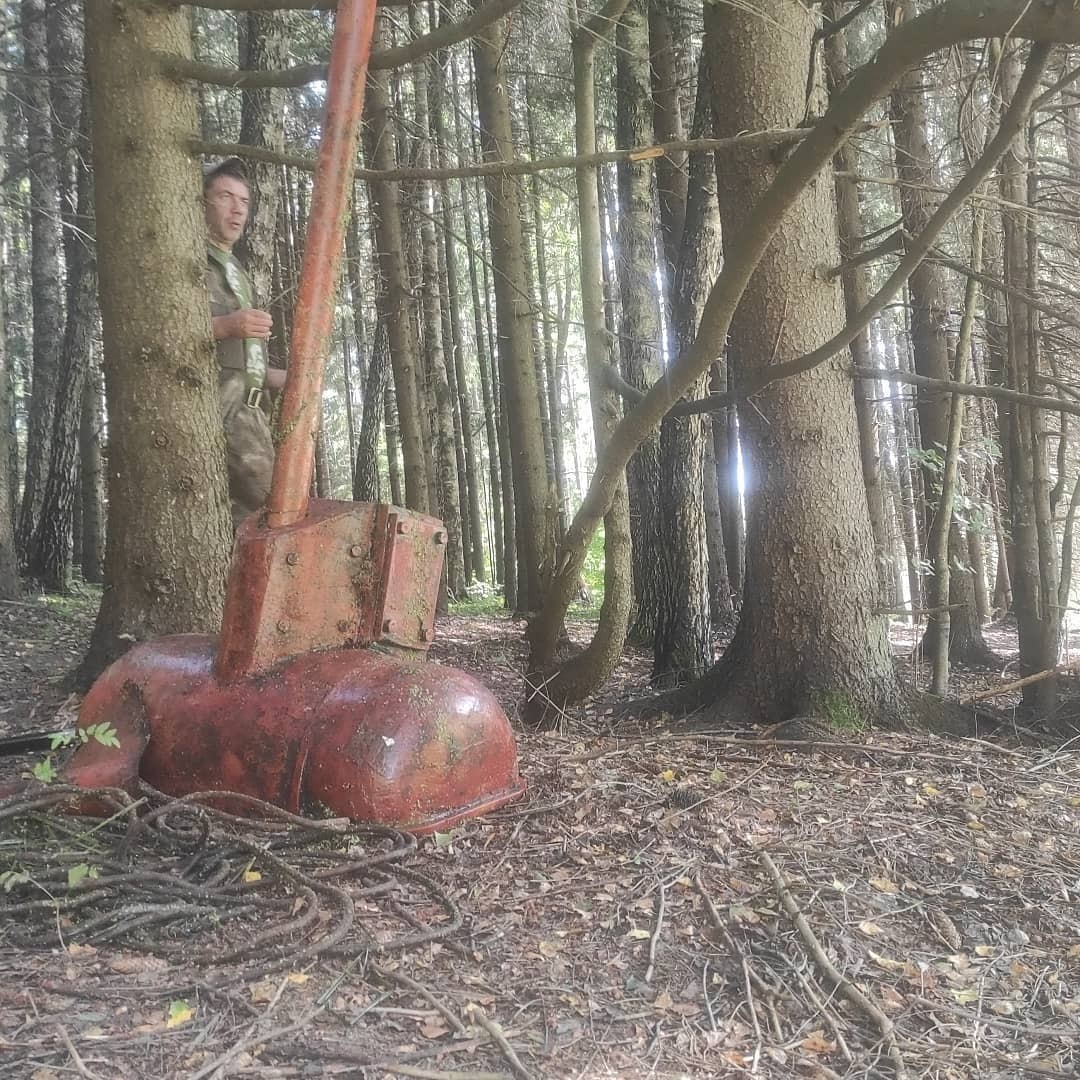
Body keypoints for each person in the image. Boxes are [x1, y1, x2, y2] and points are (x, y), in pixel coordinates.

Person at [203, 157, 285, 529]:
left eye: (244, 201)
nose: (237, 209)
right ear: (202, 202)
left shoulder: (236, 270)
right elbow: (163, 333)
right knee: (272, 514)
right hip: (220, 415)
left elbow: (238, 361)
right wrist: (225, 325)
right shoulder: (190, 262)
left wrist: (281, 378)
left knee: (248, 528)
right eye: (225, 196)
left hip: (252, 415)